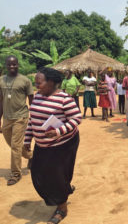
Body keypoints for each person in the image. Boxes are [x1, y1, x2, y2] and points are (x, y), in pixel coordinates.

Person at [24, 67, 82, 224]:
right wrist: (27, 139)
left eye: (39, 82)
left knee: (56, 176)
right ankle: (64, 188)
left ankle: (62, 208)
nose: (36, 86)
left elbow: (76, 119)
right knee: (37, 173)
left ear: (51, 82)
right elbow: (32, 120)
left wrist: (59, 131)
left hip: (63, 145)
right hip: (42, 145)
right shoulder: (37, 97)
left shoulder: (65, 99)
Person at [0, 55, 34, 185]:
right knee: (14, 144)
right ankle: (31, 156)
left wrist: (34, 115)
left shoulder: (25, 81)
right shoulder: (1, 80)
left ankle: (15, 174)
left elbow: (31, 99)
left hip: (21, 116)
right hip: (7, 118)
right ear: (6, 65)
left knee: (15, 145)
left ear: (18, 65)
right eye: (9, 64)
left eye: (14, 64)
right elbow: (1, 100)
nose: (12, 66)